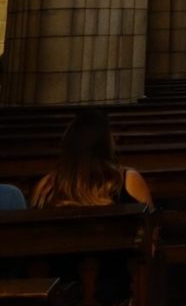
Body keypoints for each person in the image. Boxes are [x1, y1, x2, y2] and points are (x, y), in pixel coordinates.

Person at [31, 109, 154, 306]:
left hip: (60, 291)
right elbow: (150, 237)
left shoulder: (46, 187)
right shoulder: (127, 181)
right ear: (106, 145)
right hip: (115, 291)